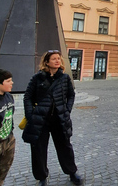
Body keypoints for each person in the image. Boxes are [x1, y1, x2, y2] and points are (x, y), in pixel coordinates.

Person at [22, 50, 84, 186]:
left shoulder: (65, 77)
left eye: (59, 58)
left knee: (65, 147)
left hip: (59, 119)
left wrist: (67, 110)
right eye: (54, 59)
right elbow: (27, 97)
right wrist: (30, 115)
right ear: (46, 62)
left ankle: (72, 172)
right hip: (41, 119)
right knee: (38, 149)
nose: (57, 61)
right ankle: (42, 177)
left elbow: (71, 95)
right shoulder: (37, 78)